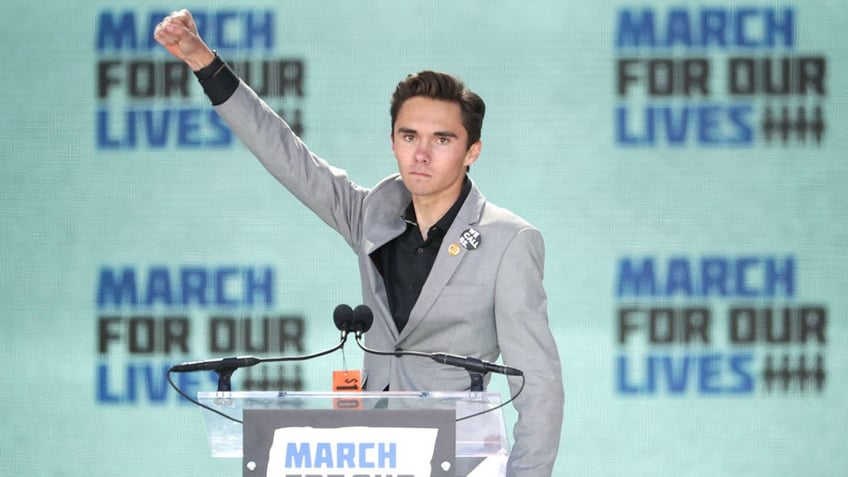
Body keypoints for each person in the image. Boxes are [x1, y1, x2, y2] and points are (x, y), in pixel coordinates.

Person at [155, 9, 564, 476]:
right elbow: (286, 154)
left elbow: (540, 384)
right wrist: (205, 64)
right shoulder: (371, 215)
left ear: (472, 151)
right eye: (409, 136)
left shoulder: (509, 240)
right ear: (393, 142)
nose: (422, 153)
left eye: (442, 139)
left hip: (466, 463)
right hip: (372, 457)